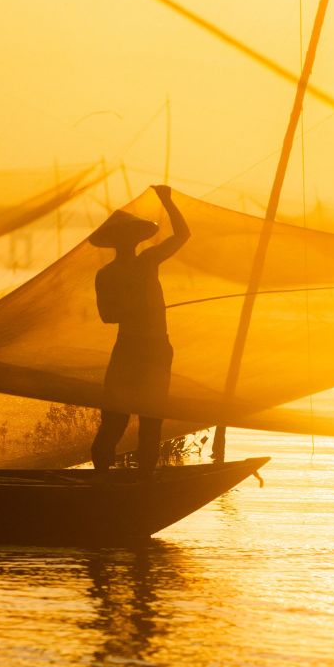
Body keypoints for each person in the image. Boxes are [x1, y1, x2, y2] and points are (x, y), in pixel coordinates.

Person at [88, 185, 190, 475]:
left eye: (130, 234)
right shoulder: (107, 274)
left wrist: (167, 201)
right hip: (129, 349)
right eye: (121, 235)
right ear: (113, 241)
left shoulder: (148, 261)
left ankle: (146, 480)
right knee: (114, 419)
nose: (127, 240)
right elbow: (107, 315)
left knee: (151, 420)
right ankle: (101, 479)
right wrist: (135, 309)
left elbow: (183, 235)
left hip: (157, 349)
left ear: (136, 238)